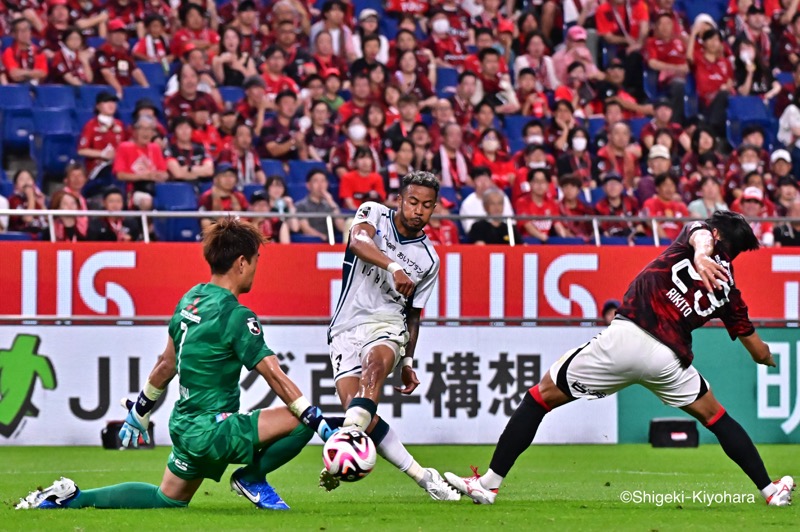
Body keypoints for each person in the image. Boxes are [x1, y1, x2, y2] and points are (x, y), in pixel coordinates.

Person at [445, 211, 795, 507]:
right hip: (669, 361)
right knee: (716, 416)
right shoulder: (729, 292)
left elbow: (699, 235)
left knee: (539, 398)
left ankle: (489, 483)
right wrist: (767, 359)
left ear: (716, 234)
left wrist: (702, 255)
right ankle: (769, 490)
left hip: (627, 338)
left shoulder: (696, 238)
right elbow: (757, 349)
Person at [17, 218, 340, 511]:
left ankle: (73, 497)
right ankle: (252, 477)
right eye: (256, 261)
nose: (255, 268)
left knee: (167, 500)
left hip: (184, 426)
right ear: (242, 263)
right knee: (299, 422)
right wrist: (321, 424)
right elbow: (274, 375)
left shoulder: (190, 300)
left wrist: (139, 412)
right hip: (213, 431)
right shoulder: (237, 316)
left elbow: (165, 364)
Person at [323, 171, 459, 501]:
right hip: (345, 327)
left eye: (427, 206)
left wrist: (408, 359)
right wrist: (393, 267)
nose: (418, 211)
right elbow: (357, 242)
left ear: (434, 208)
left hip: (387, 323)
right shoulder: (373, 213)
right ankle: (424, 477)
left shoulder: (429, 259)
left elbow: (413, 314)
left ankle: (341, 451)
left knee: (374, 368)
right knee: (360, 415)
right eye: (412, 202)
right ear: (399, 199)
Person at [113, 116, 168, 211]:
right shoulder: (124, 147)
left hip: (156, 188)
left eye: (149, 129)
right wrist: (144, 176)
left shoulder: (155, 148)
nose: (146, 133)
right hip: (135, 190)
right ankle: (147, 226)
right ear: (135, 131)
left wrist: (161, 176)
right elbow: (120, 175)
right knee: (146, 201)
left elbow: (164, 173)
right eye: (142, 129)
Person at [295, 169, 345, 240]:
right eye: (316, 181)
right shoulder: (301, 205)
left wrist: (331, 202)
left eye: (323, 181)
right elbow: (305, 228)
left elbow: (341, 227)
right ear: (308, 185)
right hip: (311, 243)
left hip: (330, 244)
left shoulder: (331, 204)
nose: (320, 185)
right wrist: (324, 238)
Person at [199, 164, 249, 231]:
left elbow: (245, 218)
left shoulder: (239, 196)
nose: (228, 179)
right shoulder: (207, 196)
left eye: (231, 176)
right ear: (215, 179)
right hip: (215, 232)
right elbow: (205, 221)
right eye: (224, 176)